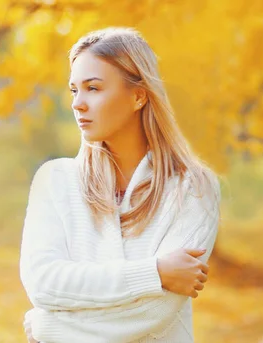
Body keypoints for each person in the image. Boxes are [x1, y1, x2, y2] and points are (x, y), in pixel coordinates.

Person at [19, 27, 221, 343]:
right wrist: (155, 273)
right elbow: (44, 284)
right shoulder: (54, 181)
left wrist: (50, 328)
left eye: (93, 88)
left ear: (138, 95)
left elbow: (153, 313)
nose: (78, 104)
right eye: (74, 90)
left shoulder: (194, 189)